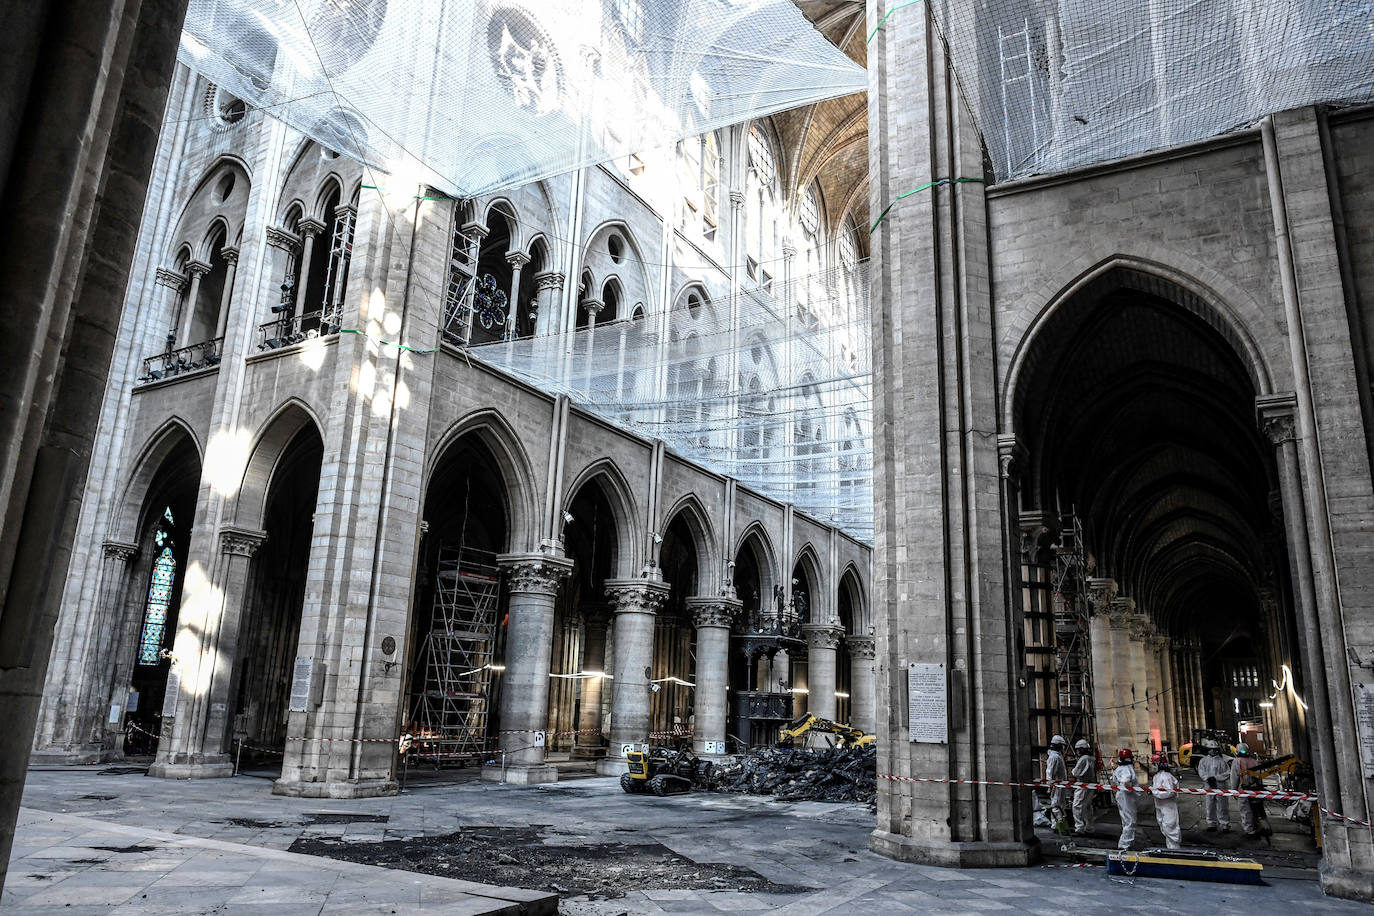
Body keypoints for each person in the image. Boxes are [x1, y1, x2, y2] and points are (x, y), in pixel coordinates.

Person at [1151, 752, 1183, 849]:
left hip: (1168, 805)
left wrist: (1154, 792)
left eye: (1153, 764)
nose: (1152, 766)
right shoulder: (1157, 776)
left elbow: (1169, 792)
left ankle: (1175, 849)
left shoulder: (1166, 777)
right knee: (1164, 826)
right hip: (1160, 805)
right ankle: (1170, 847)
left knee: (1170, 826)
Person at [1197, 740, 1231, 832]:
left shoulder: (1222, 761)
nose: (1213, 751)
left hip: (1220, 786)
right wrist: (1208, 778)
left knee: (1222, 805)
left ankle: (1224, 824)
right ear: (1208, 750)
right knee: (1210, 805)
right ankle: (1211, 823)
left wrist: (1215, 778)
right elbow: (1201, 771)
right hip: (1209, 786)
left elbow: (1227, 773)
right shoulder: (1203, 761)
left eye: (1214, 749)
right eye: (1211, 749)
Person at [1113, 748, 1141, 850]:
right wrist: (1128, 788)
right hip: (1127, 797)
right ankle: (1125, 845)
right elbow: (1125, 781)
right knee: (1130, 821)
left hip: (1122, 795)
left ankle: (1128, 842)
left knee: (1126, 820)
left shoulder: (1119, 768)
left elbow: (1115, 780)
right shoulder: (1126, 769)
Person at [1231, 745, 1261, 837]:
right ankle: (1258, 827)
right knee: (1256, 809)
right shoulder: (1254, 761)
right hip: (1255, 789)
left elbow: (1234, 777)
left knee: (1245, 810)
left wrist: (1234, 790)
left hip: (1243, 789)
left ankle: (1249, 830)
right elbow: (1260, 776)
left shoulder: (1236, 762)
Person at [1071, 738, 1097, 835]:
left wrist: (1073, 769)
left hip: (1082, 785)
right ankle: (1089, 827)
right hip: (1090, 785)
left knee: (1077, 806)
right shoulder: (1091, 758)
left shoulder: (1083, 759)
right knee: (1087, 807)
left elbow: (1076, 772)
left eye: (1078, 750)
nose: (1077, 752)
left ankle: (1079, 828)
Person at [1046, 735, 1069, 829]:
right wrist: (1049, 785)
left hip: (1060, 785)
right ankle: (1058, 824)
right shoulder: (1054, 757)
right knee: (1056, 805)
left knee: (1060, 804)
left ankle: (1057, 824)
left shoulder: (1057, 756)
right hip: (1057, 785)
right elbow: (1049, 772)